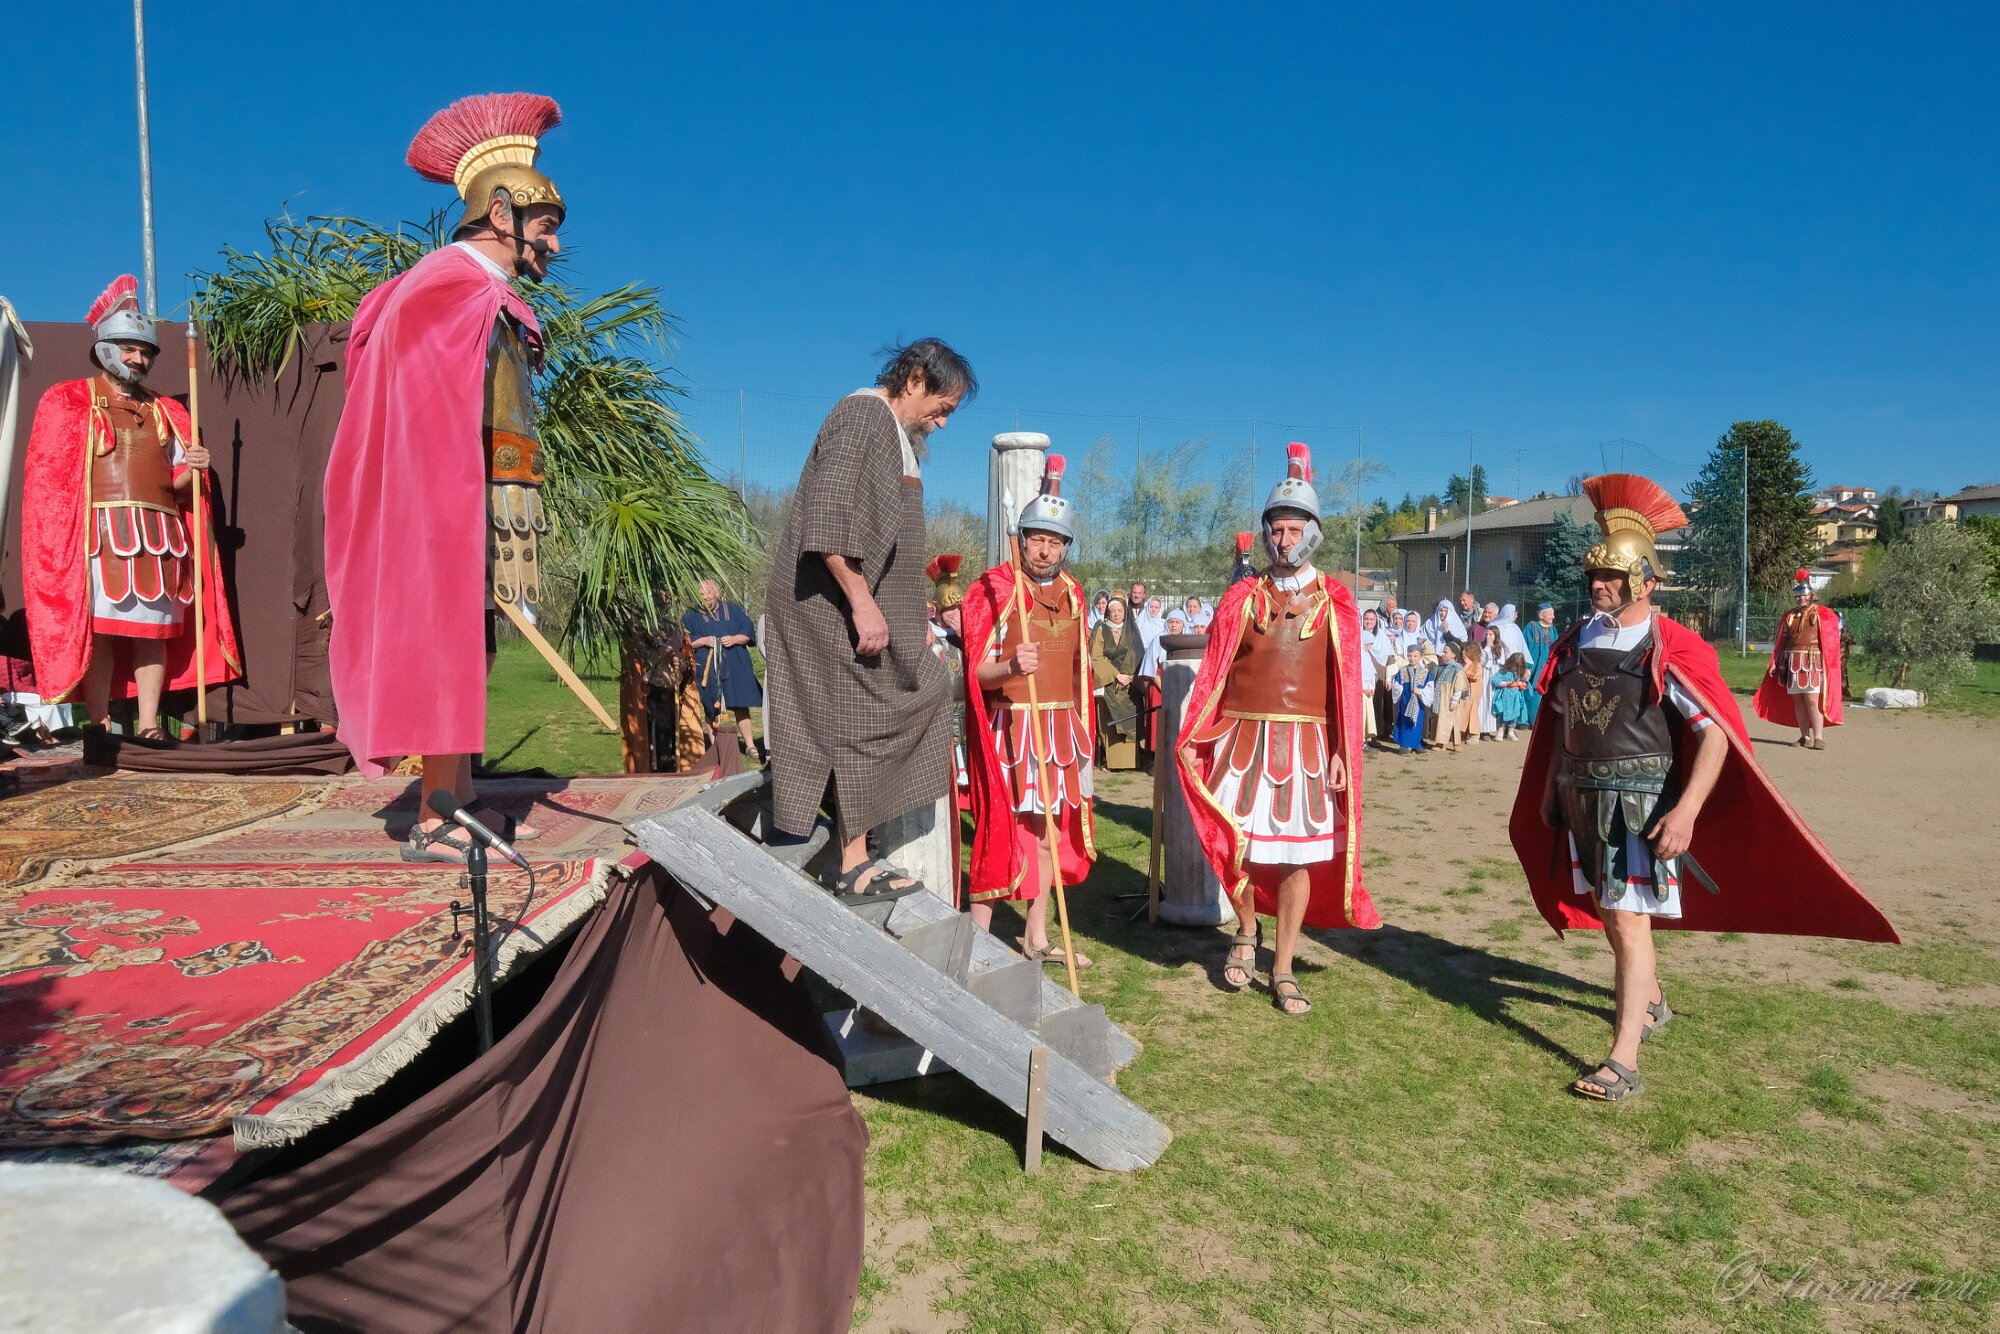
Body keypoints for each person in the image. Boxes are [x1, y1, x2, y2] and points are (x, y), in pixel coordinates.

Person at [1510, 474, 1898, 1103]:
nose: (1599, 584)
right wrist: (1553, 784)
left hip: (1638, 805)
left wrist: (1687, 811)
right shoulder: (1576, 641)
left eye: (1612, 575)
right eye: (1595, 575)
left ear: (1645, 582)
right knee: (1611, 911)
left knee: (1628, 921)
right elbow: (1561, 719)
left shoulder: (1670, 645)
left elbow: (1715, 733)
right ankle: (1652, 1001)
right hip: (1583, 798)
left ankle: (1623, 1061)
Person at [324, 93, 572, 857]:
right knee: (443, 641)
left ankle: (459, 795)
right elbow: (425, 414)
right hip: (438, 497)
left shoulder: (476, 288)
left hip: (481, 493)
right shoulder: (446, 284)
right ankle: (435, 816)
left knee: (472, 644)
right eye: (546, 225)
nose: (555, 244)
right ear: (501, 213)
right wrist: (449, 496)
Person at [762, 338, 973, 899]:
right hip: (828, 610)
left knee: (921, 691)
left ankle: (856, 844)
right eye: (943, 408)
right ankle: (853, 863)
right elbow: (826, 518)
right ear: (916, 378)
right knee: (865, 719)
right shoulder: (862, 415)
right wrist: (862, 602)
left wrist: (908, 615)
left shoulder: (892, 433)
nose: (943, 423)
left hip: (862, 609)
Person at [1179, 443, 1380, 1016]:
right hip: (1240, 743)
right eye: (1276, 530)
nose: (1284, 540)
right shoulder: (1242, 597)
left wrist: (1341, 749)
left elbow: (1343, 683)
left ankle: (1284, 965)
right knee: (1236, 846)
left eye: (1294, 530)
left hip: (1308, 749)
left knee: (1296, 858)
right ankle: (1246, 930)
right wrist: (1196, 735)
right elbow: (1216, 672)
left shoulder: (1336, 600)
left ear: (1312, 533)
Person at [21, 276, 241, 738]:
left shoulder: (168, 411)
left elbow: (178, 487)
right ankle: (99, 724)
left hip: (160, 536)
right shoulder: (69, 400)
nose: (139, 359)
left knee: (153, 632)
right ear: (105, 348)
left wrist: (195, 470)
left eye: (146, 352)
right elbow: (53, 483)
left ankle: (148, 725)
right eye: (129, 349)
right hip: (98, 534)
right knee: (99, 630)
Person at [961, 458, 1096, 966]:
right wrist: (1010, 666)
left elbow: (1080, 672)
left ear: (1065, 546)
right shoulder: (994, 587)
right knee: (998, 828)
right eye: (1037, 539)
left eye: (1055, 542)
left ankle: (1036, 937)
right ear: (1021, 539)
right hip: (1011, 728)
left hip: (1058, 731)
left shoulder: (1074, 594)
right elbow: (975, 674)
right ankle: (976, 941)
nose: (1044, 550)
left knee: (1048, 833)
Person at [1754, 570, 1844, 750]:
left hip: (1812, 661)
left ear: (1811, 596)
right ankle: (1804, 736)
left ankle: (1818, 738)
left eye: (1803, 595)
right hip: (1793, 661)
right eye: (1798, 596)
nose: (1800, 598)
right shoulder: (1790, 616)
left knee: (1812, 700)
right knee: (1798, 700)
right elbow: (1782, 641)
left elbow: (1830, 641)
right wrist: (1775, 661)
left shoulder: (1822, 614)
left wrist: (1829, 664)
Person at [683, 578, 764, 763]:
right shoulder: (690, 616)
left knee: (740, 705)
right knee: (711, 707)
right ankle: (716, 748)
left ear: (717, 593)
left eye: (708, 593)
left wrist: (734, 639)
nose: (705, 597)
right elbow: (684, 642)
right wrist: (702, 641)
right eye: (701, 594)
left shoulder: (733, 610)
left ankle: (750, 745)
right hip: (706, 667)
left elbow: (747, 632)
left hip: (735, 663)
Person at [1090, 596, 1145, 769]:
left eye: (1119, 610)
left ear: (1125, 612)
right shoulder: (1101, 629)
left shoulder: (1132, 630)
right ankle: (1112, 762)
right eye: (1112, 611)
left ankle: (1131, 761)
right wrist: (1116, 675)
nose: (1116, 614)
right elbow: (1096, 657)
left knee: (1131, 720)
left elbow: (1138, 654)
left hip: (1130, 684)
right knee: (1110, 723)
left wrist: (1128, 676)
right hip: (1109, 683)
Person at [1391, 640, 1433, 755]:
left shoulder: (1425, 672)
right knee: (1405, 721)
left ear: (1420, 656)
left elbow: (1429, 687)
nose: (1412, 658)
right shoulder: (1402, 671)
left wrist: (1420, 692)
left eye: (1415, 656)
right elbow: (1396, 685)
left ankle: (1416, 744)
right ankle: (1405, 745)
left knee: (1417, 722)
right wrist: (1401, 689)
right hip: (1406, 701)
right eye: (1410, 656)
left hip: (1418, 702)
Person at [1523, 602, 1559, 719]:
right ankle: (1527, 720)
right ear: (1541, 615)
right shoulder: (1531, 627)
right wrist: (1525, 666)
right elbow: (1524, 647)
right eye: (1550, 614)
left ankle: (1538, 720)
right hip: (1532, 668)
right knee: (1530, 692)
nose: (1553, 617)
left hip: (1547, 668)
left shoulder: (1553, 629)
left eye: (1553, 614)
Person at [1431, 642, 1466, 750]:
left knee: (1453, 721)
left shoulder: (1457, 669)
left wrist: (1454, 701)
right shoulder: (1440, 667)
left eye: (1446, 652)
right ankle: (1440, 743)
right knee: (1440, 720)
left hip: (1449, 699)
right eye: (1443, 652)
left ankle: (1457, 743)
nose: (1443, 654)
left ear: (1454, 654)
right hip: (1440, 699)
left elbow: (1459, 687)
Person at [1491, 652, 1533, 739]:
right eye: (1514, 666)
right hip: (1505, 696)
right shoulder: (1503, 671)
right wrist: (1506, 683)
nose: (1515, 668)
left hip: (1516, 697)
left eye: (1518, 667)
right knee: (1502, 714)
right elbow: (1495, 680)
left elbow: (1526, 682)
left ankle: (1511, 731)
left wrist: (1523, 684)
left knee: (1515, 714)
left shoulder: (1521, 673)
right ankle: (1500, 732)